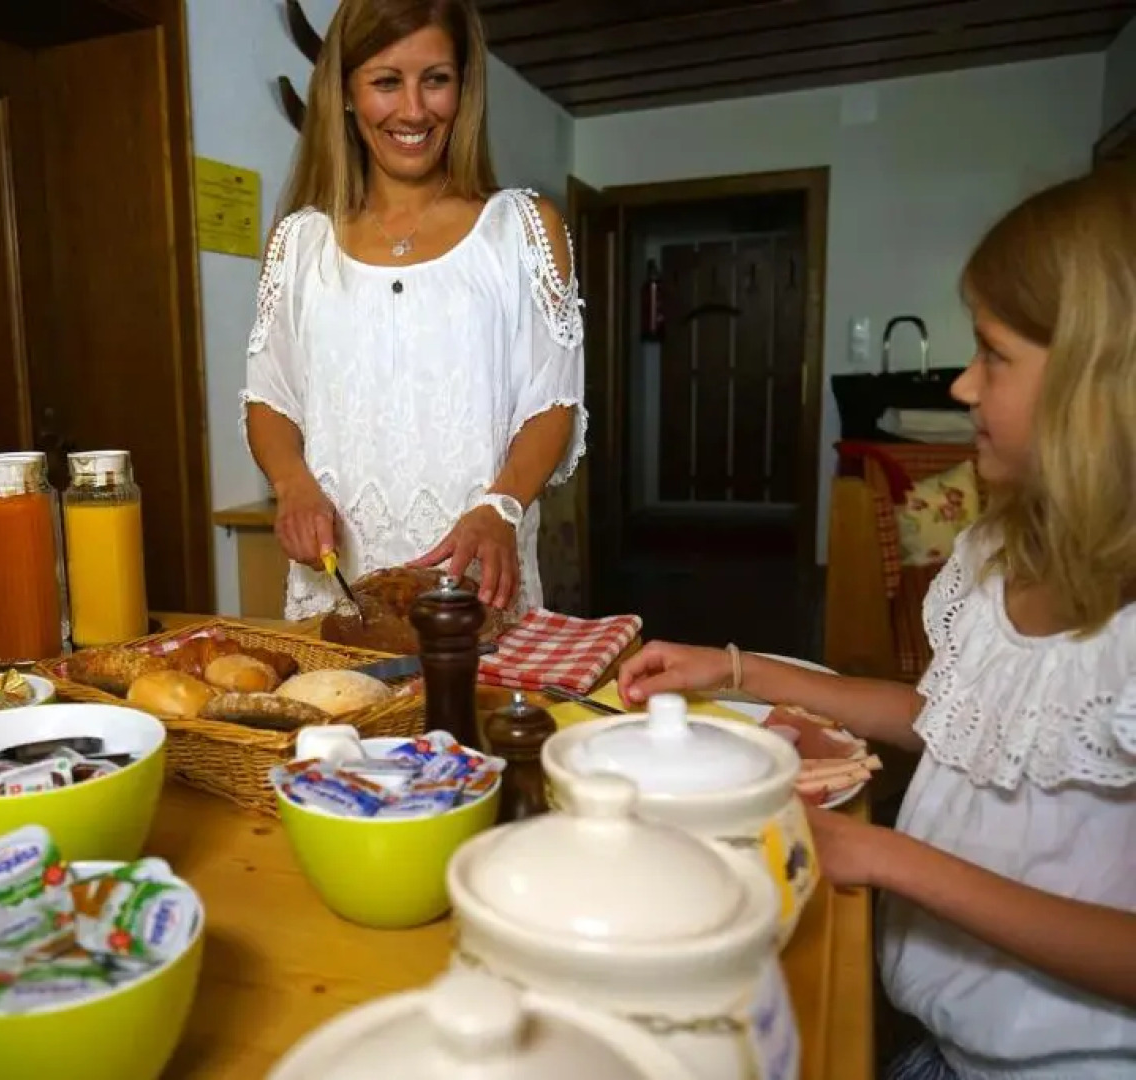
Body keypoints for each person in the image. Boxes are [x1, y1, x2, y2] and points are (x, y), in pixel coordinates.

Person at [618, 168, 1136, 1078]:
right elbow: (942, 716)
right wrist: (732, 668)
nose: (964, 385)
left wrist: (883, 856)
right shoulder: (997, 555)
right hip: (933, 1037)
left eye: (993, 355)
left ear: (1099, 387)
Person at [241, 0, 585, 620]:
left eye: (436, 80)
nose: (413, 110)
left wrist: (502, 505)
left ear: (464, 88)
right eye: (385, 82)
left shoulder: (524, 231)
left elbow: (551, 403)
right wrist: (292, 485)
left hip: (479, 597)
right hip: (336, 594)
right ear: (345, 93)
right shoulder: (299, 244)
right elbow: (271, 398)